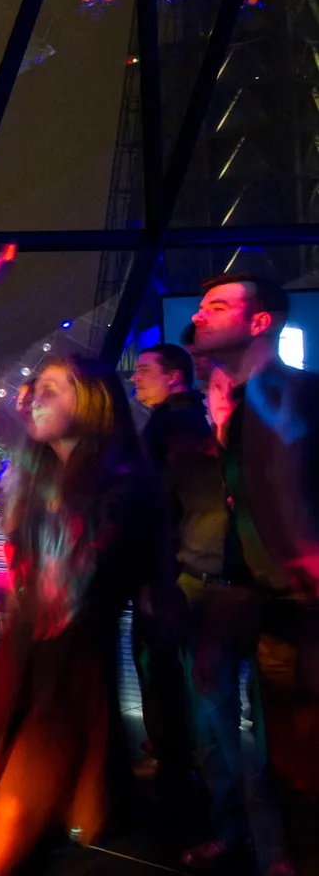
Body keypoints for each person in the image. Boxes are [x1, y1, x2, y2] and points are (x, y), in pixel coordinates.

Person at [0, 349, 166, 876]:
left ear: (92, 402)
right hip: (21, 666)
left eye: (55, 387)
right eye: (35, 387)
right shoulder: (40, 478)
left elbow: (74, 588)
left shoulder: (120, 487)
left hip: (63, 680)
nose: (35, 396)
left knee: (5, 830)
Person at [138, 340, 287, 871]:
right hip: (211, 590)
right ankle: (243, 836)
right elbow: (166, 514)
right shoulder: (189, 444)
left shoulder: (263, 440)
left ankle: (270, 843)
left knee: (253, 724)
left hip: (255, 592)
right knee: (219, 722)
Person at [190, 274, 319, 874]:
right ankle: (281, 854)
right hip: (264, 601)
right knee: (277, 751)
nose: (200, 316)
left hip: (298, 606)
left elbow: (286, 493)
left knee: (299, 751)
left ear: (260, 321)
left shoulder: (293, 395)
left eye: (218, 305)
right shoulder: (236, 411)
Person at [127, 344, 200, 781]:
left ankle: (170, 753)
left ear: (174, 376)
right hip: (170, 561)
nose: (135, 378)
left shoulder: (170, 426)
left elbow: (157, 501)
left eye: (144, 370)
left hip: (163, 564)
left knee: (158, 659)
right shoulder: (180, 421)